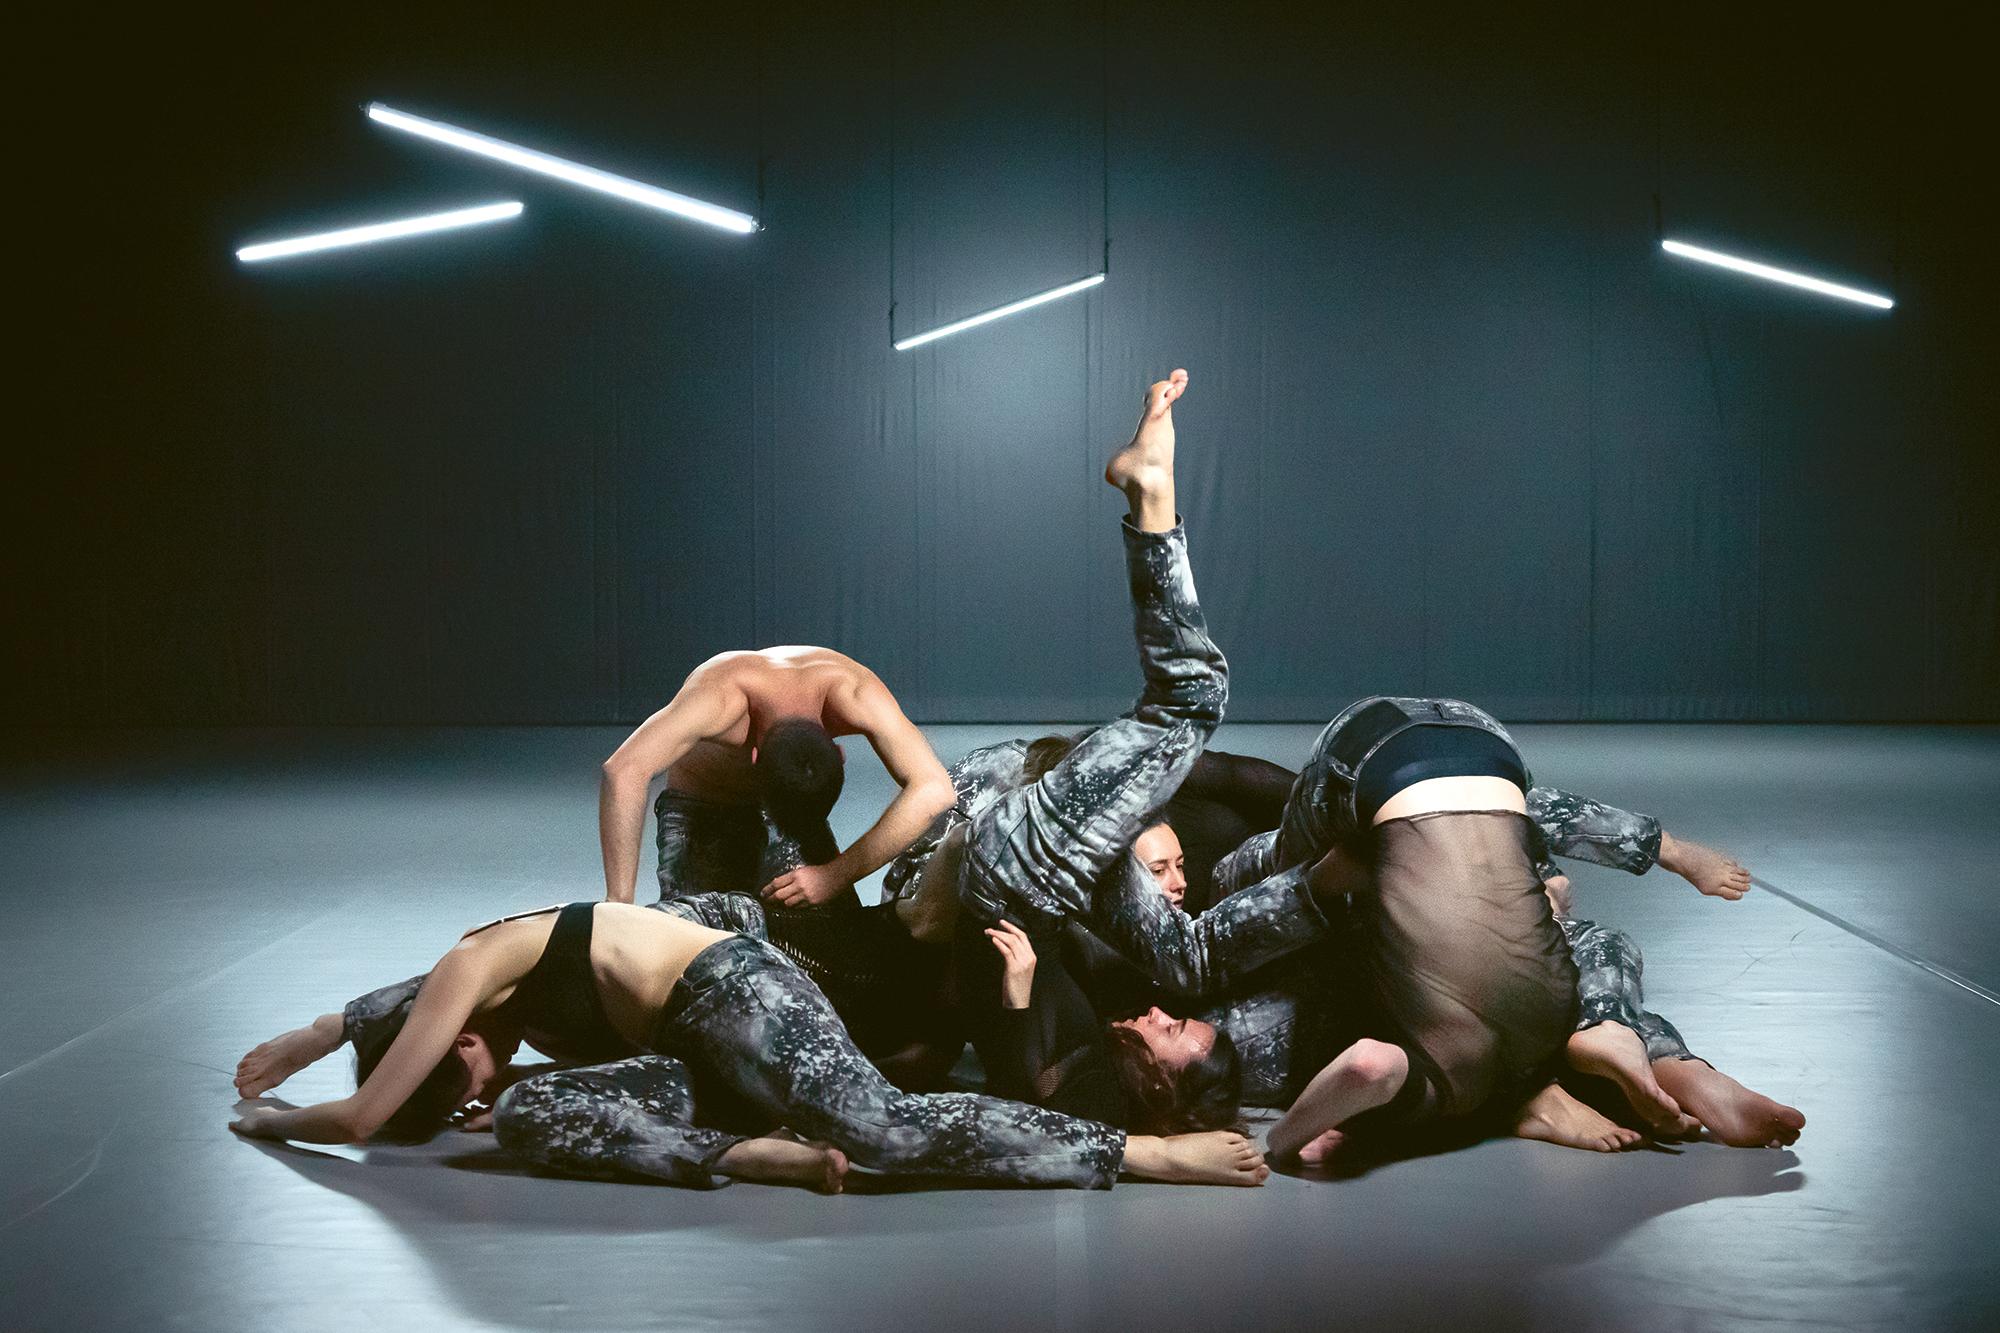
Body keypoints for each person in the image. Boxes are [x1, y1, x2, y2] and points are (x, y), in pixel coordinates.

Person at [231, 901, 1267, 1191]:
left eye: (457, 1062)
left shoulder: (470, 969)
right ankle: (739, 1153)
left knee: (882, 1131)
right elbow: (419, 1040)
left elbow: (370, 1111)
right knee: (522, 1114)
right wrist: (323, 1036)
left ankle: (1132, 1153)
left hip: (734, 988)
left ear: (451, 1034)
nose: (477, 1071)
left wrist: (280, 1104)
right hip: (694, 1048)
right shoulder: (486, 1021)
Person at [598, 646, 955, 908]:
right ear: (753, 758)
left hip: (789, 799)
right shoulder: (721, 697)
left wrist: (834, 875)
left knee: (840, 942)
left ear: (839, 753)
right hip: (703, 809)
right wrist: (619, 902)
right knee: (703, 944)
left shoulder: (854, 690)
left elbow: (934, 789)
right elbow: (624, 769)